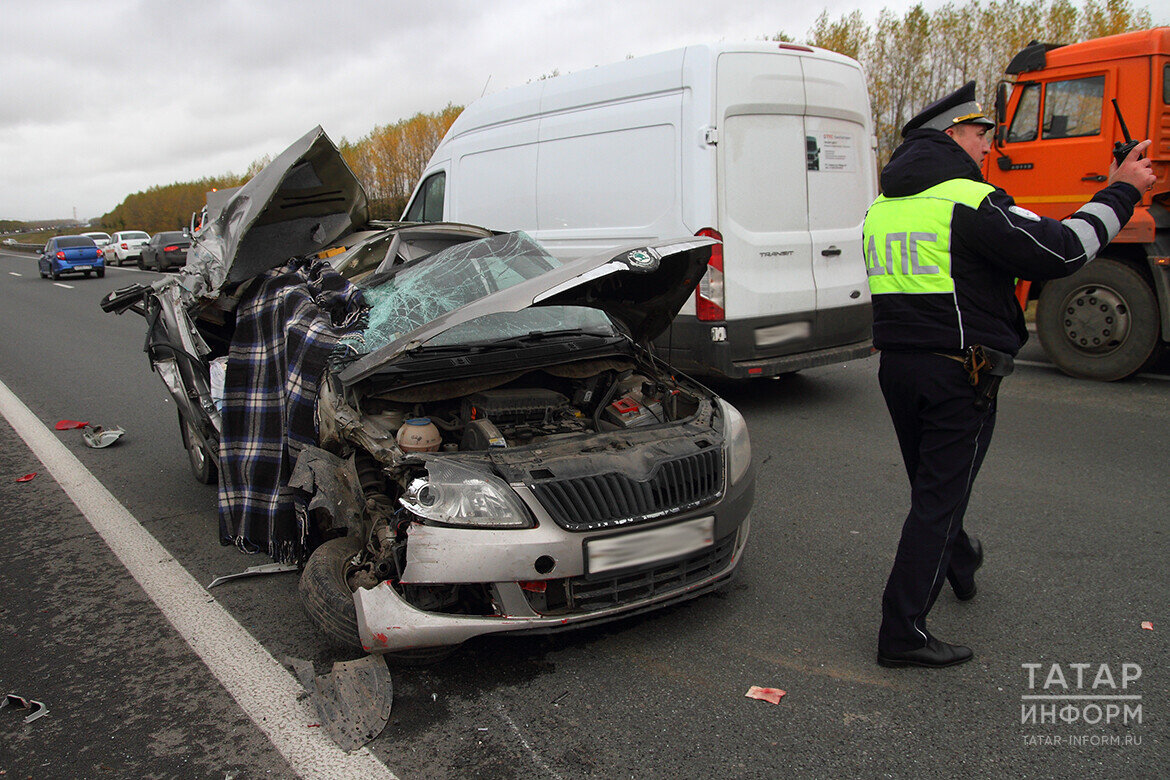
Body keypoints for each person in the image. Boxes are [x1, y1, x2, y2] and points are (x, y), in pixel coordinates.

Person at [862, 81, 1156, 668]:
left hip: (898, 370)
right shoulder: (969, 200)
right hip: (959, 374)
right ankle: (902, 632)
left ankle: (960, 560)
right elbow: (1066, 250)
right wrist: (1123, 189)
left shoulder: (883, 206)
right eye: (979, 135)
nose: (987, 148)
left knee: (936, 487)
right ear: (950, 137)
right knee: (937, 500)